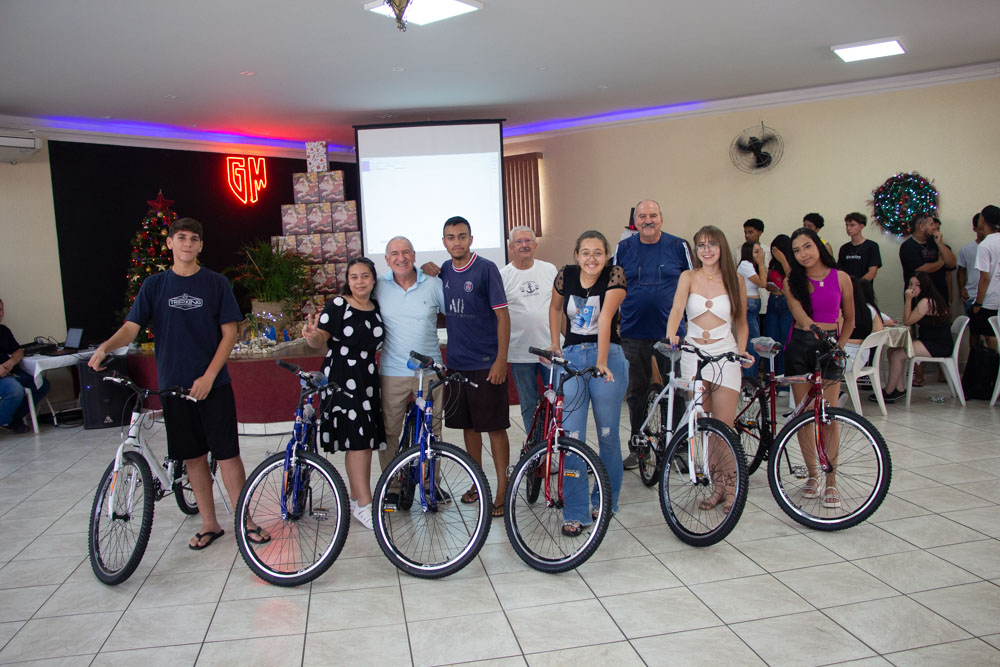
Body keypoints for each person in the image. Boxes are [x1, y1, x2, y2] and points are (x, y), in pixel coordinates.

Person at [89, 217, 268, 549]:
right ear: (170, 243)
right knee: (193, 457)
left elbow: (230, 334)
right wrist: (105, 347)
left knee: (228, 455)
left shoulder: (216, 284)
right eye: (181, 237)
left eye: (194, 238)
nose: (188, 243)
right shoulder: (154, 286)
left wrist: (209, 376)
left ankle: (246, 520)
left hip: (213, 386)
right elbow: (132, 327)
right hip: (174, 387)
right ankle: (210, 524)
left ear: (201, 246)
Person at [666, 226, 752, 511]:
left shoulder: (735, 279)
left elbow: (741, 321)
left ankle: (731, 487)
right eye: (701, 245)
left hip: (725, 355)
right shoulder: (688, 276)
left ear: (721, 247)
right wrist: (672, 335)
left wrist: (741, 351)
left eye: (712, 244)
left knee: (723, 427)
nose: (706, 250)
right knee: (702, 424)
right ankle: (716, 487)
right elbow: (677, 309)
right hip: (693, 355)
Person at [549, 230, 628, 535]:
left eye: (598, 252)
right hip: (571, 358)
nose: (591, 258)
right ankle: (576, 510)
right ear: (576, 255)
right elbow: (555, 308)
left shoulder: (614, 274)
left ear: (606, 255)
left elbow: (606, 317)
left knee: (608, 435)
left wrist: (602, 361)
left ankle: (604, 501)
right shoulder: (564, 276)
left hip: (606, 357)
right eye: (585, 252)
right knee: (573, 438)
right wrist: (554, 342)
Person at [301, 257, 386, 530]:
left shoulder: (375, 307)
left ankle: (355, 499)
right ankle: (365, 503)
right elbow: (320, 338)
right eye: (354, 277)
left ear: (373, 279)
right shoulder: (339, 305)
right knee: (358, 440)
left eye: (364, 276)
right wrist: (312, 336)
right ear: (347, 281)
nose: (360, 281)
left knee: (362, 441)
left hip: (367, 378)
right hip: (342, 377)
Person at [439, 216, 511, 517]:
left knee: (493, 427)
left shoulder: (486, 269)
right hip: (456, 365)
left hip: (486, 365)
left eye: (462, 236)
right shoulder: (443, 270)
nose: (457, 242)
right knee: (468, 427)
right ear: (444, 242)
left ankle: (503, 489)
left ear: (471, 239)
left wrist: (500, 360)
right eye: (451, 237)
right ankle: (477, 483)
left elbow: (503, 317)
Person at [614, 199, 691, 469]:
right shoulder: (623, 248)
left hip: (671, 335)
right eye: (643, 216)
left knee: (676, 393)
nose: (648, 220)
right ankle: (638, 447)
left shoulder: (679, 246)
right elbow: (614, 287)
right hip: (633, 333)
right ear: (635, 221)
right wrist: (615, 323)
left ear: (661, 218)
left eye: (653, 215)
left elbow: (692, 282)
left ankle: (678, 449)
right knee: (637, 392)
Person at [784, 227, 854, 509]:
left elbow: (849, 318)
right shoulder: (793, 280)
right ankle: (812, 474)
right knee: (804, 413)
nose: (803, 254)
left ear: (819, 246)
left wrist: (840, 346)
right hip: (800, 345)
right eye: (797, 250)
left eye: (807, 247)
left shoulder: (843, 278)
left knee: (828, 416)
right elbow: (799, 316)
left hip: (830, 347)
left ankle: (831, 480)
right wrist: (815, 330)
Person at [374, 236, 446, 497]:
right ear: (386, 259)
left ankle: (430, 485)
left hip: (429, 372)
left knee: (432, 432)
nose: (401, 258)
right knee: (391, 432)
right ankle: (391, 486)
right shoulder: (377, 285)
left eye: (406, 252)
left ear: (414, 256)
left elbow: (457, 316)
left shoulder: (434, 284)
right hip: (392, 372)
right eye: (394, 253)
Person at [500, 226, 557, 433]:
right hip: (520, 352)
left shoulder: (549, 269)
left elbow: (559, 305)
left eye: (528, 241)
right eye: (518, 242)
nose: (524, 245)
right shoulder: (502, 275)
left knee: (558, 401)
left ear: (535, 244)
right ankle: (535, 449)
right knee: (528, 405)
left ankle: (555, 445)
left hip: (550, 348)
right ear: (510, 247)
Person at [872, 271, 952, 403]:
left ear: (925, 286)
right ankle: (899, 388)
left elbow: (908, 321)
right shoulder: (924, 299)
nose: (912, 288)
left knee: (897, 354)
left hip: (938, 344)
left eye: (917, 285)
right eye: (910, 284)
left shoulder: (926, 301)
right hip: (928, 341)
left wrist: (908, 300)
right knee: (892, 350)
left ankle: (889, 390)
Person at [0, 298, 51, 434]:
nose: (0, 313)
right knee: (15, 390)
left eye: (1, 309)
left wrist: (10, 363)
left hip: (9, 372)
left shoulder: (3, 330)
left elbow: (18, 351)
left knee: (41, 384)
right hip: (3, 378)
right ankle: (7, 420)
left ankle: (12, 419)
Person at [899, 213, 956, 300]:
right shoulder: (908, 246)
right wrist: (941, 262)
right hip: (918, 297)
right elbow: (922, 269)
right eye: (931, 224)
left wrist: (940, 243)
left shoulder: (936, 242)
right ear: (922, 227)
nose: (934, 227)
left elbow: (952, 263)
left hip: (940, 296)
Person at [763, 234, 794, 380]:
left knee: (785, 340)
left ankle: (784, 378)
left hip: (787, 302)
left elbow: (794, 279)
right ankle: (771, 377)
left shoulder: (792, 263)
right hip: (773, 300)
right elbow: (767, 281)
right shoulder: (773, 264)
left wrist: (784, 261)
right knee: (772, 340)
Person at [972, 204, 1000, 349]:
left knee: (991, 337)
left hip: (991, 300)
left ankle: (994, 369)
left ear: (984, 220)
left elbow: (984, 277)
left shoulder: (985, 245)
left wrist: (978, 303)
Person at [737, 240, 766, 376]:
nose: (759, 254)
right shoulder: (745, 264)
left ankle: (750, 378)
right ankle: (749, 381)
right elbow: (762, 283)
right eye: (756, 252)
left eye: (760, 251)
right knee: (751, 343)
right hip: (748, 304)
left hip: (753, 305)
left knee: (754, 340)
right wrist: (761, 263)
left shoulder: (751, 265)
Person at [837, 212, 882, 282]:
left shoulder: (872, 246)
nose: (848, 228)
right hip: (847, 288)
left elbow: (872, 272)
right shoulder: (844, 248)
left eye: (852, 225)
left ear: (861, 226)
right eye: (847, 225)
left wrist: (858, 286)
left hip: (864, 289)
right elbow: (840, 271)